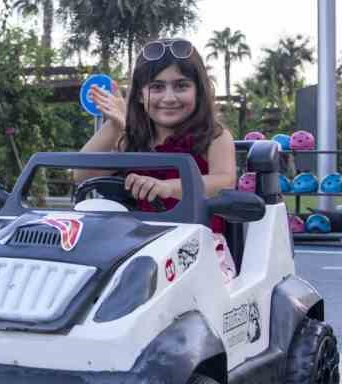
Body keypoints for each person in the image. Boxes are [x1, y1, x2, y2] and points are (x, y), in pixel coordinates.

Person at [79, 38, 238, 280]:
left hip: (198, 248)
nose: (169, 97)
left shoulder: (214, 136)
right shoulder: (130, 140)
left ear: (199, 90)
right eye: (157, 87)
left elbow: (224, 182)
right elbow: (81, 175)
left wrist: (168, 187)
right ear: (141, 96)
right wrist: (115, 125)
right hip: (137, 248)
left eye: (181, 86)